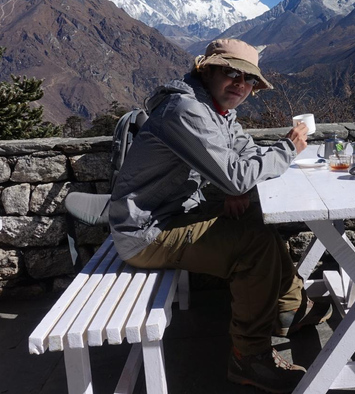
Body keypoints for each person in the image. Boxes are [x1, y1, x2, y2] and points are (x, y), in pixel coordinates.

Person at [109, 38, 332, 393]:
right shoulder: (186, 110)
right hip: (146, 232)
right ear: (207, 69)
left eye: (250, 81)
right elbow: (236, 174)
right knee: (253, 245)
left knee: (259, 220)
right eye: (231, 73)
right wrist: (287, 148)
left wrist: (238, 186)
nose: (241, 85)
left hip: (175, 213)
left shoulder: (215, 109)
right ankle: (249, 356)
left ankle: (290, 309)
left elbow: (242, 152)